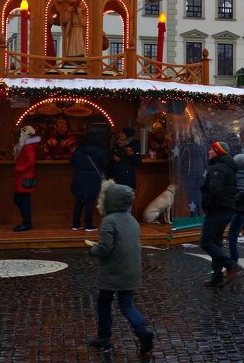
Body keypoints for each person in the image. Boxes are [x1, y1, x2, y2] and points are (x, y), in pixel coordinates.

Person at [87, 179, 156, 362]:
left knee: (104, 302)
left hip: (112, 271)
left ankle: (104, 337)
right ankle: (143, 332)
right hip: (131, 270)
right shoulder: (132, 220)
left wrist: (92, 250)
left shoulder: (109, 221)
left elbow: (105, 248)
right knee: (126, 304)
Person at [200, 140, 242, 285]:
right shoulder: (226, 167)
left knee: (206, 242)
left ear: (218, 152)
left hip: (217, 210)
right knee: (216, 242)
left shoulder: (218, 168)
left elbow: (215, 191)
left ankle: (231, 265)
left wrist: (208, 206)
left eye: (212, 150)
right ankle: (217, 276)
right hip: (225, 209)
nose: (209, 152)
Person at [71, 133, 108, 231]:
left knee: (79, 200)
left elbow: (72, 163)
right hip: (92, 178)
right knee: (89, 201)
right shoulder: (99, 151)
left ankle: (76, 224)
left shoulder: (78, 150)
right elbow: (103, 165)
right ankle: (88, 225)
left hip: (79, 177)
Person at [13, 125, 40, 232]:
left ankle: (26, 223)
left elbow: (31, 162)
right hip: (25, 177)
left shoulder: (27, 146)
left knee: (22, 200)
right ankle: (26, 222)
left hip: (24, 176)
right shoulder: (28, 145)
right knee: (22, 200)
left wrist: (18, 169)